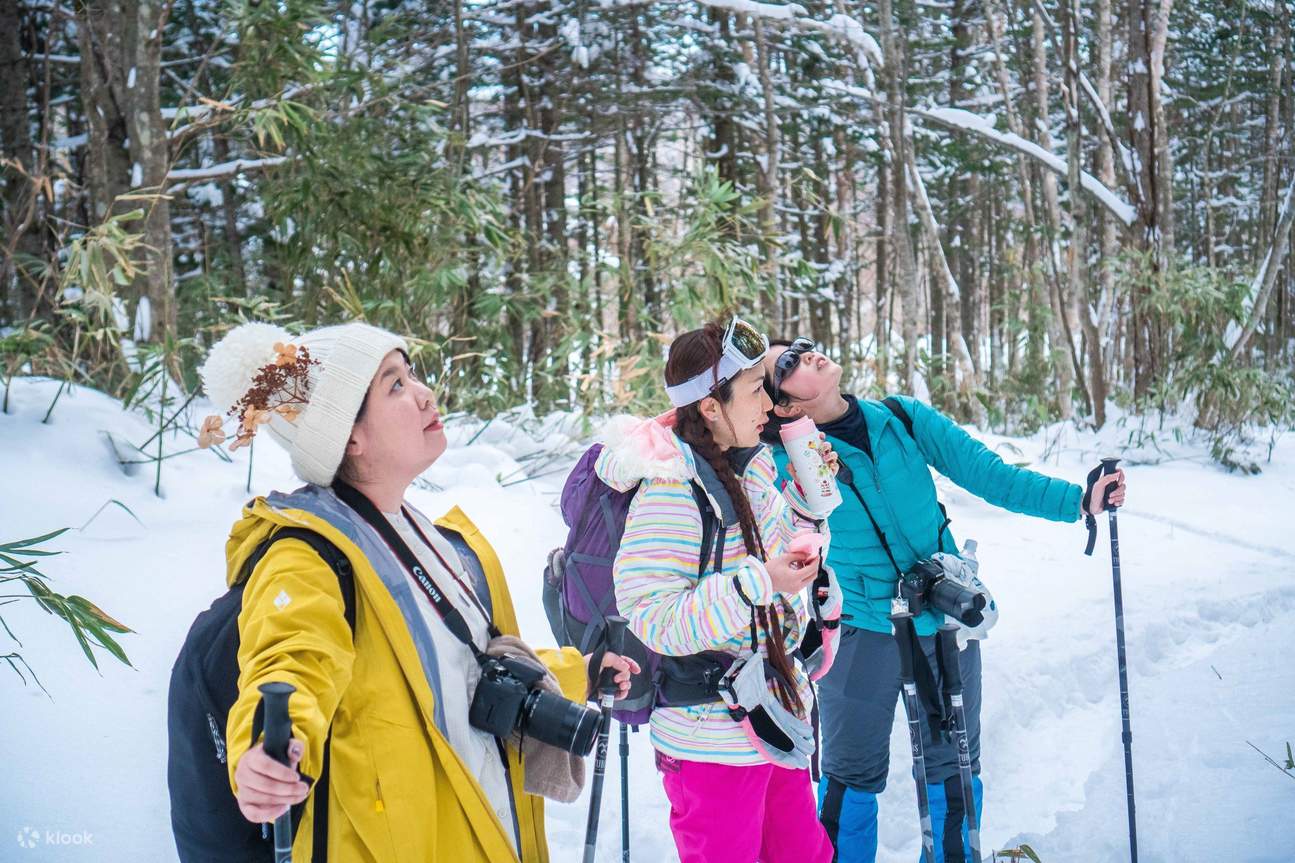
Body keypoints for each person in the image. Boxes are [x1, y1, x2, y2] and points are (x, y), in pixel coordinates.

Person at [196, 320, 636, 862]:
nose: (425, 393)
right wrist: (268, 748)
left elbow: (464, 668)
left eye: (410, 375)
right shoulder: (305, 557)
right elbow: (289, 661)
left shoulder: (425, 535)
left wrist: (577, 672)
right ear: (347, 435)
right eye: (395, 385)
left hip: (477, 825)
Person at [759, 337, 1128, 863]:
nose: (808, 353)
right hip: (862, 630)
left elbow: (988, 475)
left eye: (801, 346)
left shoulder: (901, 419)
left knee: (953, 767)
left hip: (945, 612)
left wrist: (1079, 502)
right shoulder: (781, 465)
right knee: (850, 773)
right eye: (790, 364)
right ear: (785, 405)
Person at [597, 318, 837, 863]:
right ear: (710, 406)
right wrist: (759, 582)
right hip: (708, 741)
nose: (768, 405)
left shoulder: (749, 468)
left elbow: (783, 552)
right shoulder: (670, 490)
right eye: (755, 391)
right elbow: (652, 616)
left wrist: (807, 506)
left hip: (772, 717)